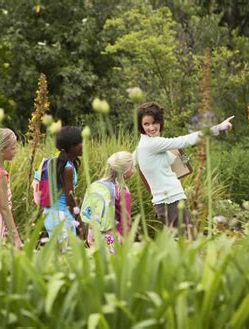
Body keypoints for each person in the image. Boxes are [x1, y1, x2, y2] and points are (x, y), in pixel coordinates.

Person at [135, 102, 234, 230]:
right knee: (190, 242)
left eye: (154, 122)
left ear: (160, 122)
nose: (151, 127)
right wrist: (218, 128)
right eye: (146, 124)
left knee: (183, 243)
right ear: (141, 126)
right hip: (170, 202)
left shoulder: (145, 144)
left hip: (170, 201)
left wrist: (184, 160)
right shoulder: (152, 144)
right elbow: (185, 140)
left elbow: (175, 156)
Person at [86, 151, 134, 248]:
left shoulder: (98, 185)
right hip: (111, 237)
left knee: (96, 260)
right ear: (125, 172)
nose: (134, 170)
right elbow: (125, 221)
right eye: (132, 167)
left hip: (93, 233)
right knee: (112, 262)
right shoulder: (123, 193)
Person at [44, 126, 84, 241]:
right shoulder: (68, 168)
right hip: (61, 216)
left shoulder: (57, 163)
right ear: (72, 145)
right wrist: (80, 222)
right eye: (81, 142)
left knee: (59, 256)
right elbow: (70, 199)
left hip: (49, 214)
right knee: (68, 255)